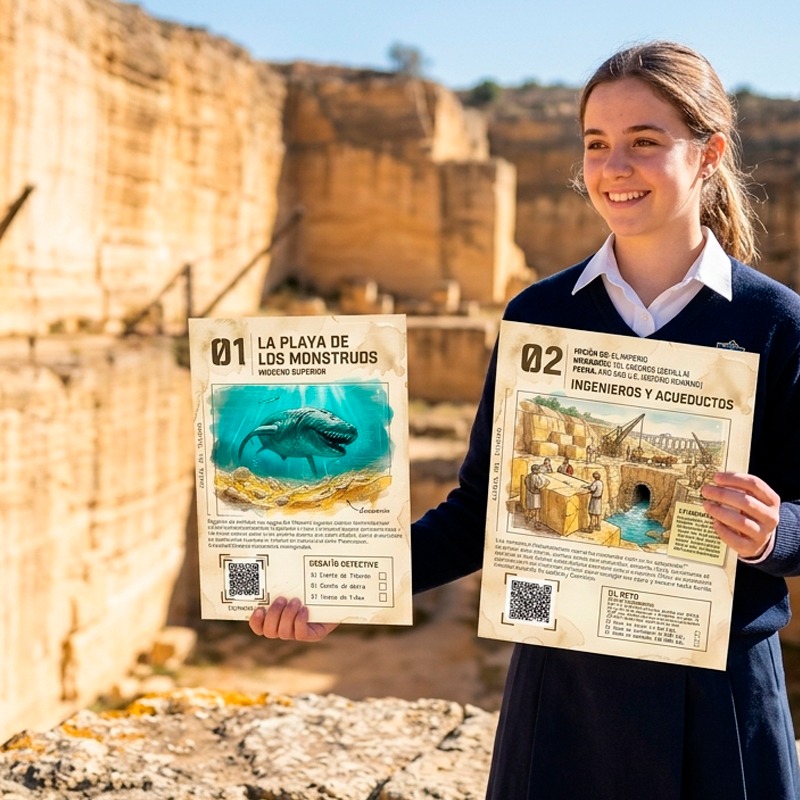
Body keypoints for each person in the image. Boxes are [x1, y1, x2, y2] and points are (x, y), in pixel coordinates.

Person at [249, 41, 800, 799]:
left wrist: (776, 530)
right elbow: (480, 511)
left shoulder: (777, 321)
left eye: (645, 142)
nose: (614, 167)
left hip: (720, 706)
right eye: (597, 144)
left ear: (708, 155)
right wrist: (340, 588)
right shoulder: (539, 314)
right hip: (567, 704)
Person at [523, 463, 549, 528]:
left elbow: (525, 482)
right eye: (537, 470)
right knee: (537, 509)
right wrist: (545, 483)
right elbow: (538, 486)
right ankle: (536, 523)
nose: (538, 471)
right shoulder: (534, 476)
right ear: (534, 470)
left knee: (529, 507)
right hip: (535, 494)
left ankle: (527, 518)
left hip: (529, 493)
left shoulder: (528, 476)